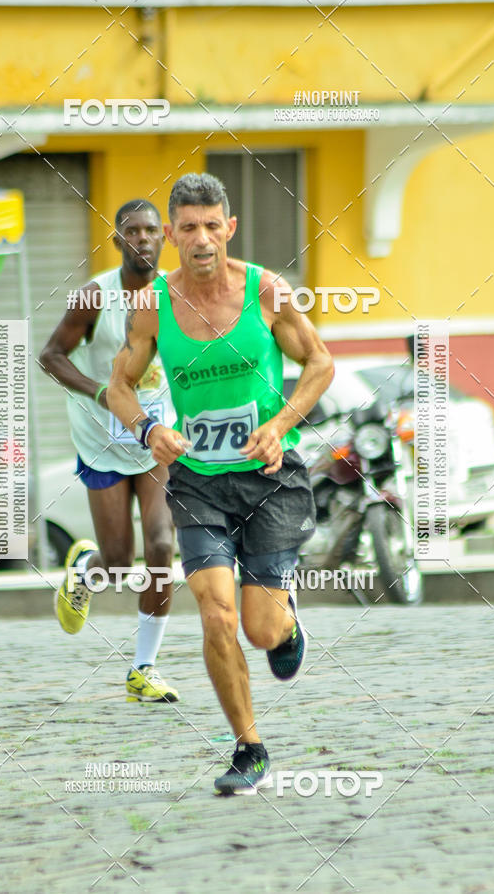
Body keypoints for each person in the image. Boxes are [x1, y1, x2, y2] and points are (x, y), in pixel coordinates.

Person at [107, 173, 334, 793]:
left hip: (268, 479)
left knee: (259, 630)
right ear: (172, 235)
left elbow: (320, 362)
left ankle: (286, 620)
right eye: (188, 228)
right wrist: (149, 427)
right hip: (200, 482)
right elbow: (118, 386)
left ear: (229, 227)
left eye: (212, 225)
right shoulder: (152, 305)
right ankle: (249, 747)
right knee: (214, 615)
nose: (201, 238)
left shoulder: (267, 292)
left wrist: (283, 423)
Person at [39, 199, 179, 703]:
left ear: (164, 237)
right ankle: (86, 570)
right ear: (118, 239)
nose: (142, 239)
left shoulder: (178, 294)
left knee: (162, 545)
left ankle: (144, 668)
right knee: (119, 562)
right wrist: (99, 391)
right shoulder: (94, 296)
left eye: (150, 231)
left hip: (157, 438)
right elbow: (50, 355)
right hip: (102, 439)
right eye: (131, 232)